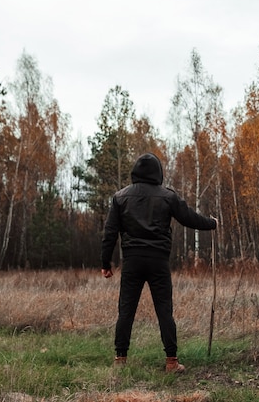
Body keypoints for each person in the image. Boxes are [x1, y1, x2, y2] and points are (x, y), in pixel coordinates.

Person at [100, 152, 217, 373]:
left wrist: (106, 263)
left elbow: (109, 232)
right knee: (164, 310)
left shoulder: (120, 197)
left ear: (135, 172)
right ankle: (171, 361)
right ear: (158, 172)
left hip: (132, 261)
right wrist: (211, 223)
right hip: (158, 261)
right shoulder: (167, 196)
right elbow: (189, 217)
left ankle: (120, 359)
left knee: (126, 310)